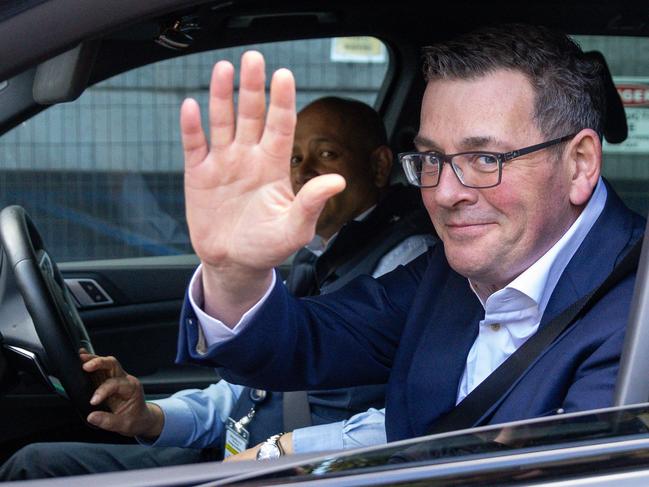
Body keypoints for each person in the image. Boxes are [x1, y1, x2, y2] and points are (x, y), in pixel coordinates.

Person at [171, 22, 645, 459]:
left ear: (580, 162)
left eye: (484, 159)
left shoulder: (637, 310)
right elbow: (300, 344)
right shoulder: (448, 274)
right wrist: (235, 272)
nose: (443, 193)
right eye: (431, 158)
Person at [0, 97, 435, 479]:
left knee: (33, 468)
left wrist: (275, 453)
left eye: (326, 153)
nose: (304, 172)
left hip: (292, 469)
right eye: (294, 158)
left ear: (379, 166)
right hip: (238, 450)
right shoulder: (318, 253)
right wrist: (150, 416)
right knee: (34, 463)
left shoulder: (407, 262)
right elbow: (249, 392)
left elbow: (420, 417)